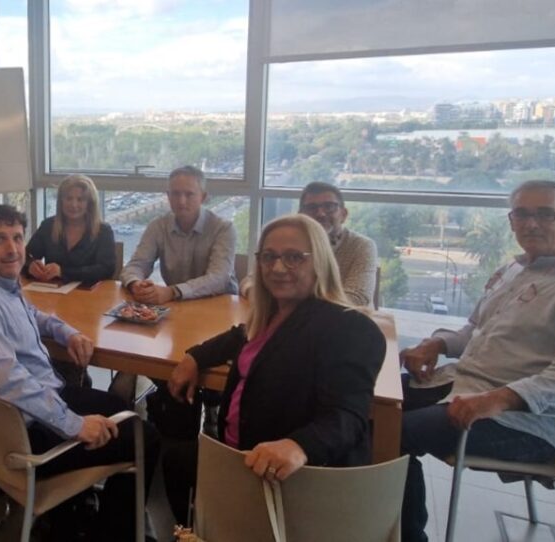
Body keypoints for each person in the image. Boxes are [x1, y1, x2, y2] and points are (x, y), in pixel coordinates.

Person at [399, 180, 555, 542]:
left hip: (521, 422)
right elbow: (475, 331)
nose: (531, 223)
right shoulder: (514, 270)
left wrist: (500, 398)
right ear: (511, 220)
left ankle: (405, 535)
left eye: (546, 214)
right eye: (522, 214)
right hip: (461, 385)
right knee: (360, 400)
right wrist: (437, 343)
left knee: (389, 433)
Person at [0, 204, 159, 541]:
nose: (13, 248)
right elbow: (6, 380)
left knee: (120, 409)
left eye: (17, 238)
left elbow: (33, 315)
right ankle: (110, 533)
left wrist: (66, 332)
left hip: (25, 411)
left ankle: (70, 517)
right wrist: (75, 425)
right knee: (145, 437)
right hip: (24, 435)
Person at [163, 213, 386, 524]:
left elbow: (348, 416)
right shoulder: (272, 314)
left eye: (294, 257)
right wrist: (194, 357)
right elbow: (237, 337)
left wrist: (299, 445)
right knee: (172, 456)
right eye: (269, 257)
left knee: (172, 458)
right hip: (241, 454)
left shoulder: (349, 327)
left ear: (320, 262)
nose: (278, 268)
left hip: (287, 476)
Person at [241, 181, 379, 307]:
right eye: (312, 208)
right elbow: (249, 282)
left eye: (329, 207)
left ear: (343, 214)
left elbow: (357, 298)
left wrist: (288, 303)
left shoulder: (362, 246)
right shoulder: (289, 245)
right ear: (300, 216)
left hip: (348, 322)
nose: (321, 214)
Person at [120, 165, 237, 304]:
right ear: (168, 196)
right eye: (175, 194)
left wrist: (172, 291)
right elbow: (136, 265)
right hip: (177, 304)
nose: (182, 201)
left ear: (203, 197)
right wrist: (136, 283)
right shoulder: (158, 226)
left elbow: (219, 278)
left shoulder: (223, 228)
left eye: (189, 194)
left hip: (218, 304)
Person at [25, 174, 116, 285]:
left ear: (90, 203)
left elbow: (106, 270)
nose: (73, 204)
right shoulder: (48, 226)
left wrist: (63, 272)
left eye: (80, 200)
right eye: (68, 198)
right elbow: (25, 257)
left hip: (89, 293)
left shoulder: (103, 231)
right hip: (52, 291)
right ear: (61, 201)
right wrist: (30, 266)